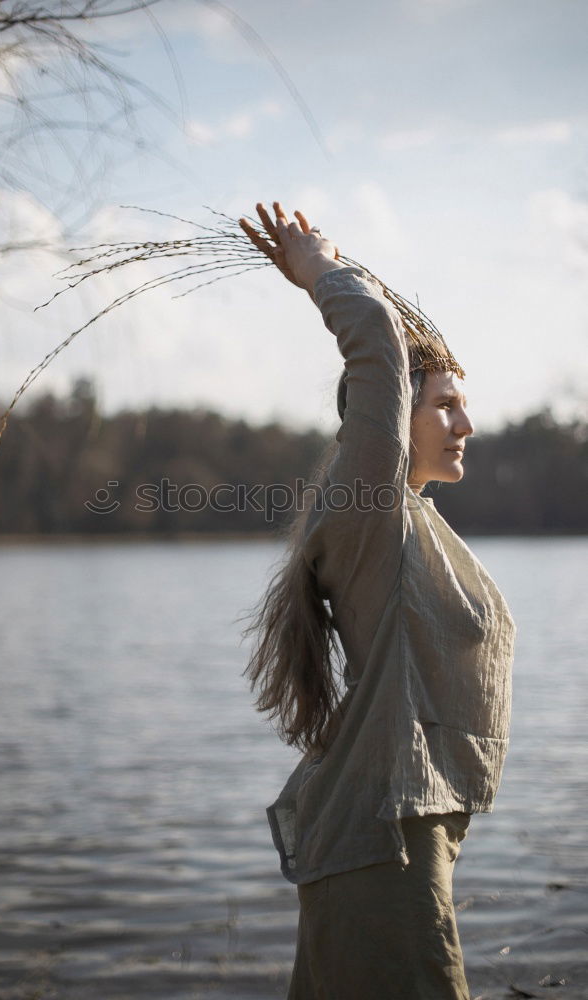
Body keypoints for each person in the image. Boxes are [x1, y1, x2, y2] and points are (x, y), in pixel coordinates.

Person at [239, 202, 517, 1000]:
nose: (467, 421)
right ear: (394, 418)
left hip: (400, 837)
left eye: (464, 402)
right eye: (445, 404)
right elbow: (379, 352)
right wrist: (324, 271)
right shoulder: (368, 514)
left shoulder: (413, 525)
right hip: (380, 848)